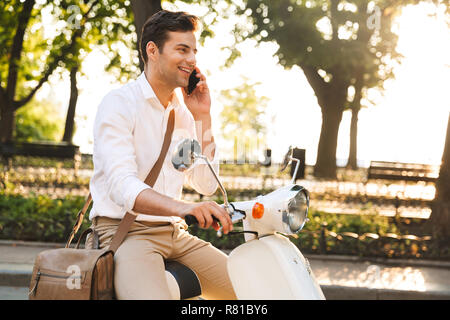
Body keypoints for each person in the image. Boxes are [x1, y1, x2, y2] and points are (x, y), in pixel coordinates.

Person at [87, 9, 236, 300]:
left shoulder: (184, 114)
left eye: (194, 51)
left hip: (175, 233)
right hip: (127, 233)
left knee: (253, 290)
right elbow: (123, 187)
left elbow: (205, 184)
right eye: (182, 49)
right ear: (152, 50)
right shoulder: (119, 104)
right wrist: (183, 208)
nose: (191, 59)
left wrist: (203, 116)